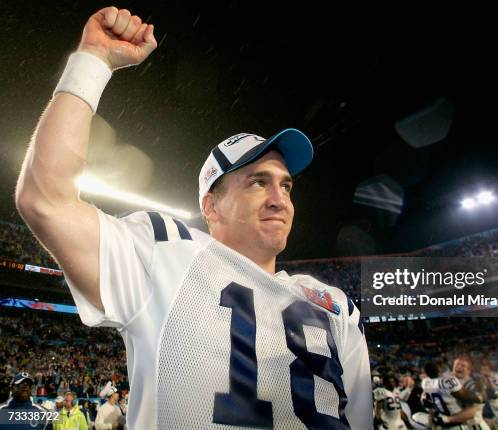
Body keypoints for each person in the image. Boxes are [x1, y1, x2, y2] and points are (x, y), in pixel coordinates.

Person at [15, 5, 372, 430]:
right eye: (258, 182)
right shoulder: (165, 254)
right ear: (211, 206)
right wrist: (93, 60)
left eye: (286, 185)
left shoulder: (336, 308)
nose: (279, 198)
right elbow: (45, 199)